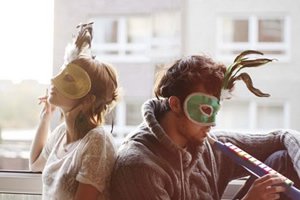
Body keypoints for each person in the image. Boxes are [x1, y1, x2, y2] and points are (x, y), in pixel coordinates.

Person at [110, 51, 300, 200]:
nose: (213, 123)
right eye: (205, 110)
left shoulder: (207, 143)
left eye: (216, 110)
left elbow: (282, 137)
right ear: (175, 104)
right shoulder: (139, 166)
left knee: (282, 160)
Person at [29, 22, 120, 200]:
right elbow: (35, 164)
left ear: (88, 100)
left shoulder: (97, 141)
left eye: (68, 78)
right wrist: (46, 115)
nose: (53, 80)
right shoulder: (62, 133)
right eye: (61, 73)